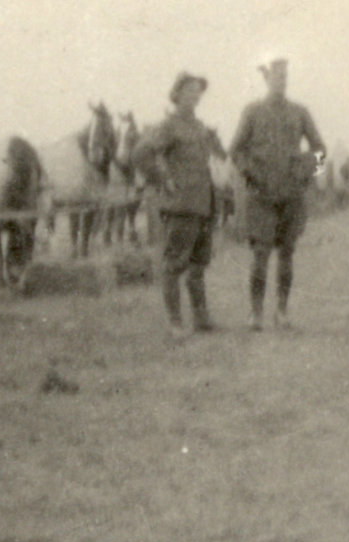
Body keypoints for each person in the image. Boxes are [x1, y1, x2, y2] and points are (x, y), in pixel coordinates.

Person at [229, 55, 326, 330]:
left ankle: (282, 312)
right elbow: (235, 150)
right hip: (260, 196)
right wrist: (250, 175)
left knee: (286, 254)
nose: (281, 81)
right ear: (266, 79)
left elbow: (320, 150)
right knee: (260, 255)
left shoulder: (300, 112)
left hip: (291, 195)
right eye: (276, 77)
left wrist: (308, 176)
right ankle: (255, 313)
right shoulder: (252, 112)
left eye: (285, 77)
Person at [133, 72, 226, 338]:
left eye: (198, 92)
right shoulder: (169, 126)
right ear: (177, 94)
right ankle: (175, 324)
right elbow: (140, 153)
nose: (195, 96)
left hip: (204, 205)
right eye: (189, 91)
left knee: (198, 265)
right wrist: (163, 179)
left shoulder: (200, 127)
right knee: (174, 265)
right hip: (181, 206)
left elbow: (218, 158)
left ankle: (201, 319)